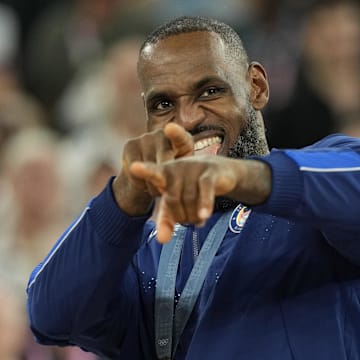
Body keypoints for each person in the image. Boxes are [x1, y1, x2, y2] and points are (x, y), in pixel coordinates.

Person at [26, 16, 360, 360]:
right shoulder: (147, 253)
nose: (186, 119)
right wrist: (124, 198)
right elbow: (51, 315)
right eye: (163, 104)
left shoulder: (319, 195)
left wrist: (239, 175)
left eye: (210, 91)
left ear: (257, 87)